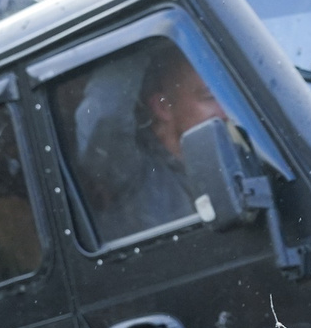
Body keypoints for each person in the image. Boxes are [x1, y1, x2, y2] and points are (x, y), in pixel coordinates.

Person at [76, 45, 225, 242]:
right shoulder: (133, 176)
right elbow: (106, 117)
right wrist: (136, 35)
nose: (226, 113)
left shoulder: (228, 157)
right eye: (210, 97)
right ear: (163, 106)